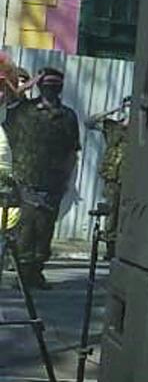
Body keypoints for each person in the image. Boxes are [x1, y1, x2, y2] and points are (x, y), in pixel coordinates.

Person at [1, 63, 80, 287]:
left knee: (45, 230)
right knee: (26, 229)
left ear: (60, 88)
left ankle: (36, 272)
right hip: (25, 180)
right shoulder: (24, 111)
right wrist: (28, 83)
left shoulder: (67, 116)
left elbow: (72, 150)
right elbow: (7, 101)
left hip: (52, 182)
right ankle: (23, 274)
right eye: (46, 85)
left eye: (54, 86)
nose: (50, 90)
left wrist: (67, 179)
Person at [89, 95, 130, 254]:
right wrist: (113, 110)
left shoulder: (141, 128)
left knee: (126, 212)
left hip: (130, 177)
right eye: (126, 106)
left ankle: (123, 245)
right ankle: (110, 246)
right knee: (112, 210)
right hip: (112, 176)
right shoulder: (113, 127)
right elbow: (90, 122)